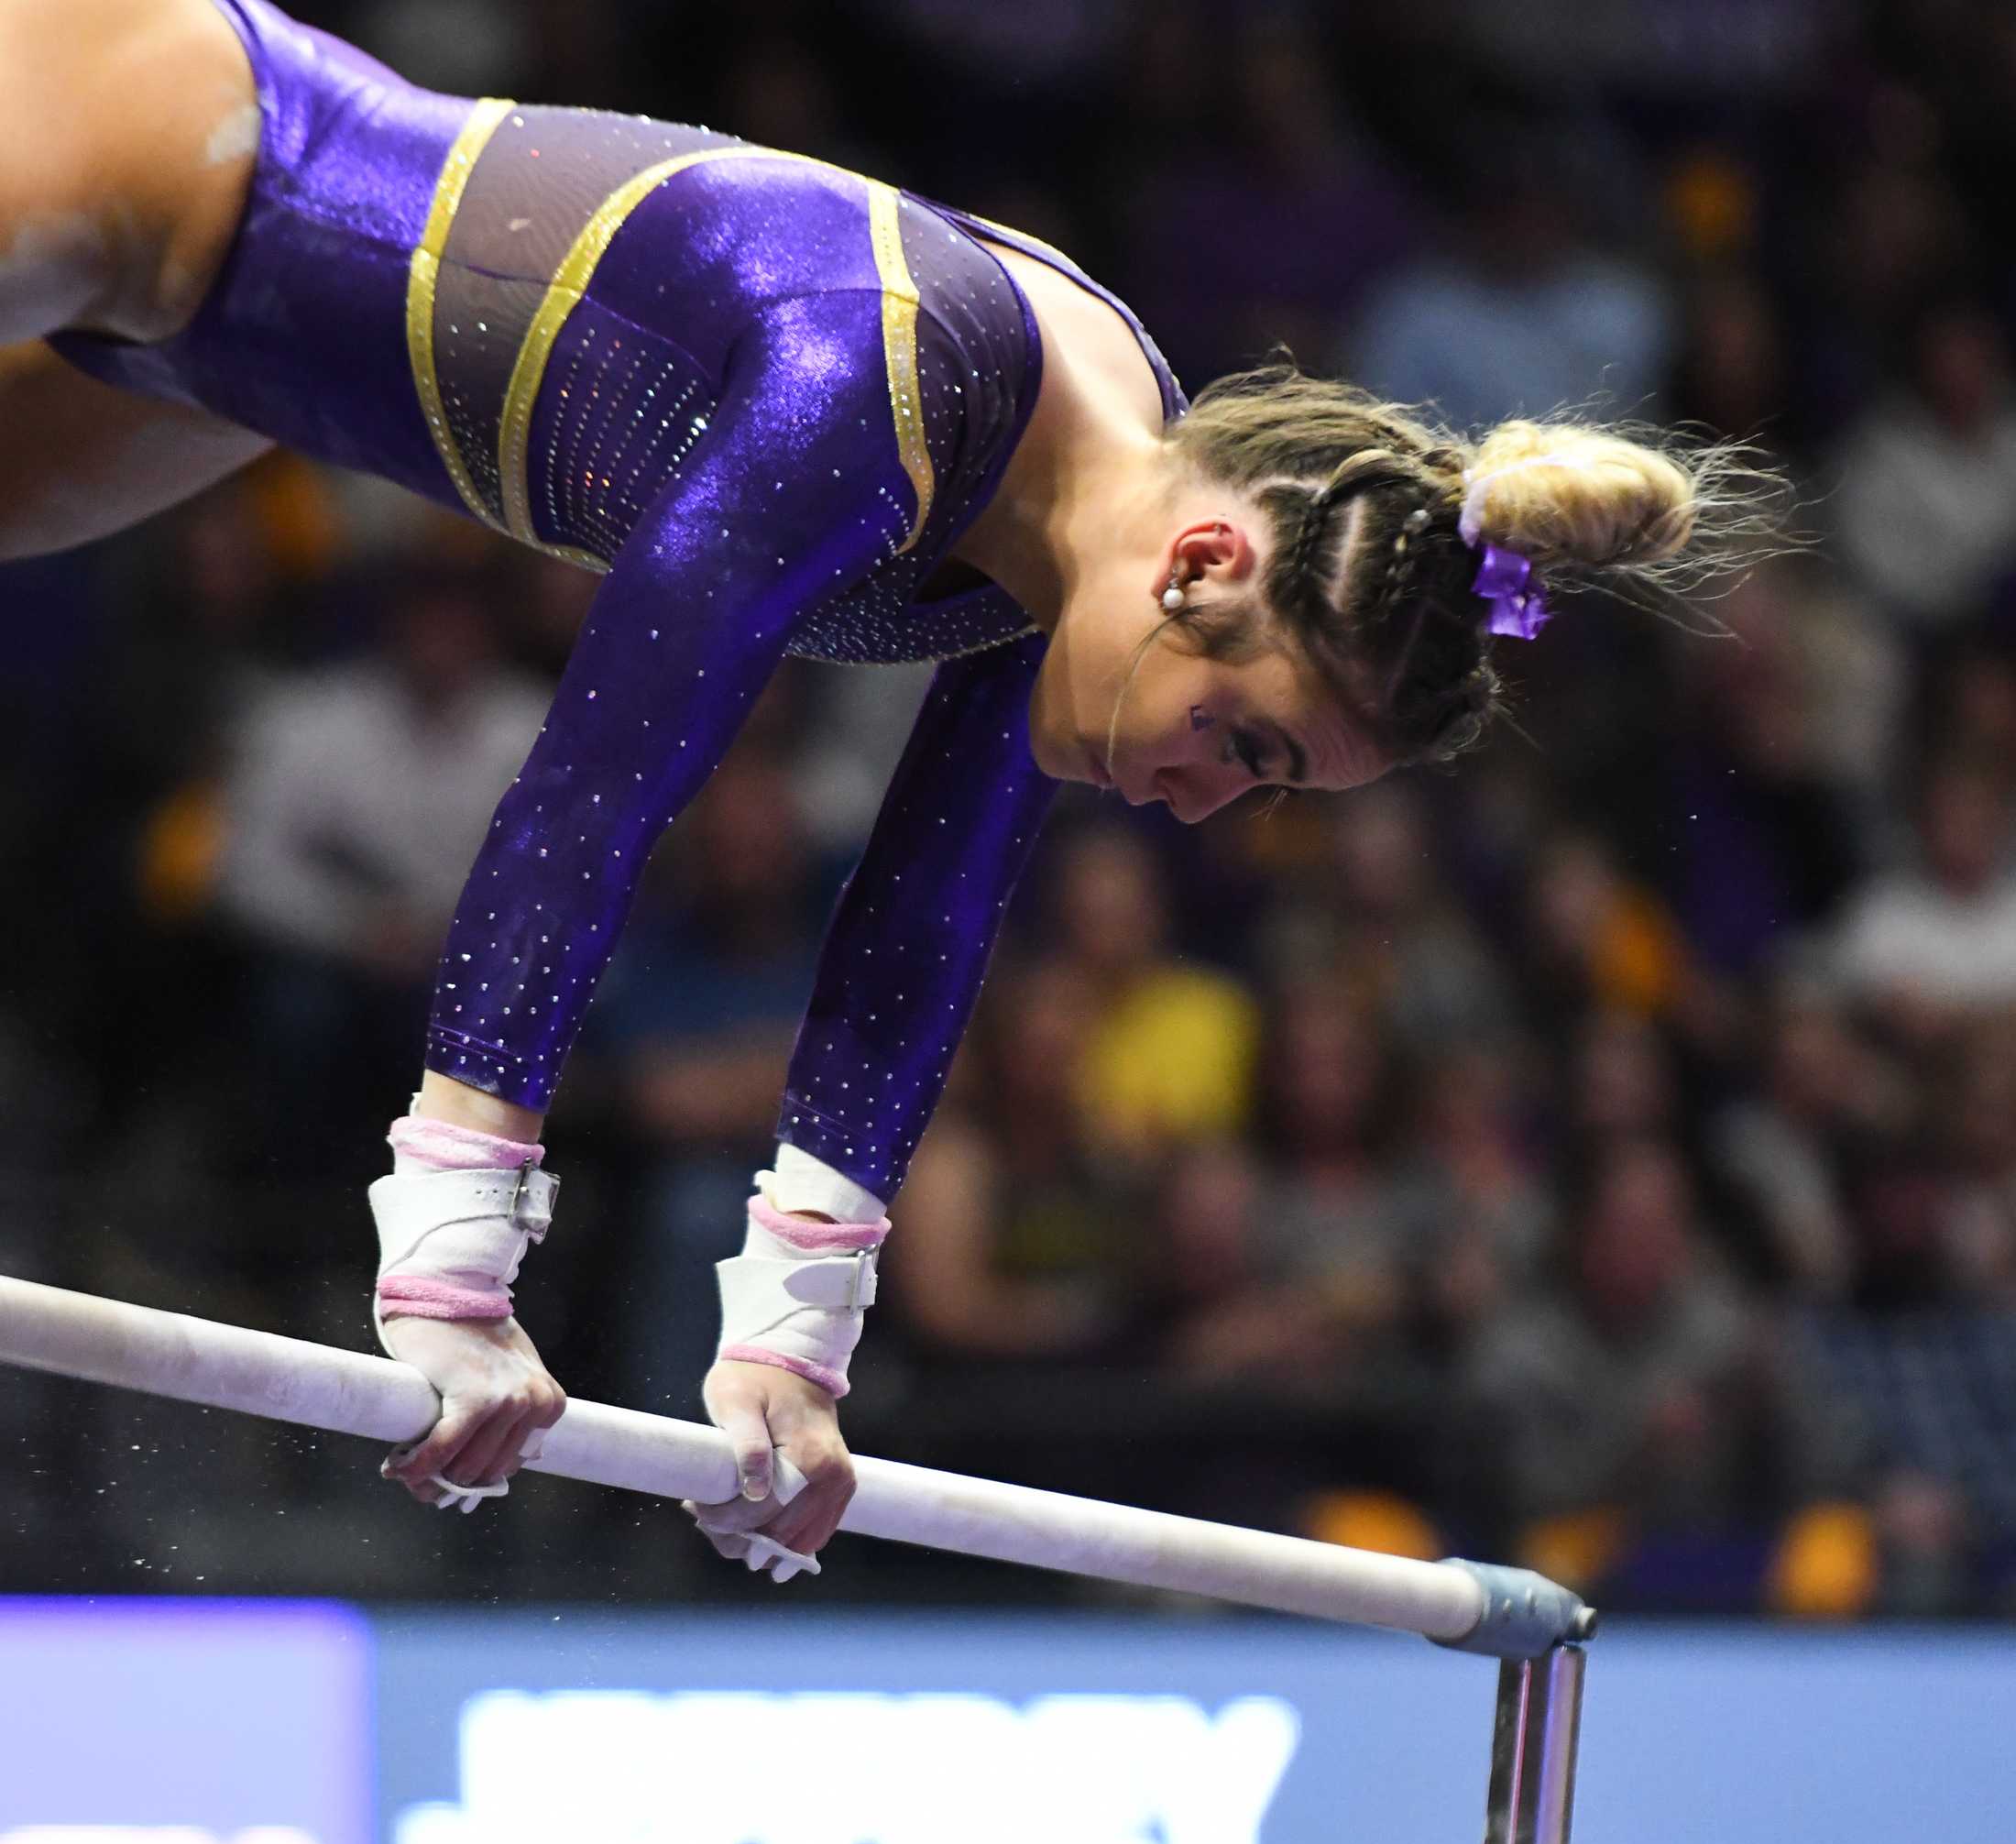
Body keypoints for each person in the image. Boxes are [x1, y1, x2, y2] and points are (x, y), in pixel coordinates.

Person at [0, 0, 1769, 1576]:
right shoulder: (882, 375)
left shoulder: (1091, 514)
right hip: (175, 135)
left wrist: (791, 1343)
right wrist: (452, 1260)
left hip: (218, 372)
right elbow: (601, 780)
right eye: (1251, 744)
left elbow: (922, 917)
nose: (1215, 805)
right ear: (1208, 565)